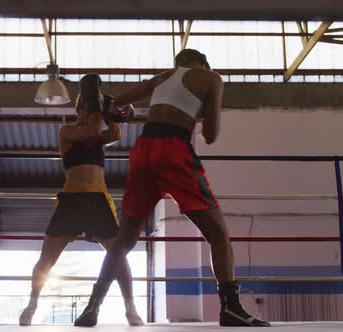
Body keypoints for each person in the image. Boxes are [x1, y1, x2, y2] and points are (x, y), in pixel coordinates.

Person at [74, 49, 270, 327]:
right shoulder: (211, 78)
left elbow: (118, 101)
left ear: (177, 65)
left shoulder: (163, 77)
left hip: (143, 149)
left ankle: (92, 308)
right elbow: (211, 136)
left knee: (124, 239)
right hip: (174, 150)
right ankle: (231, 308)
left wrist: (125, 111)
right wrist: (200, 119)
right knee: (217, 232)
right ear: (202, 64)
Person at [18, 75, 144, 327]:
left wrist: (112, 111)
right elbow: (92, 130)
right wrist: (98, 108)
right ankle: (32, 302)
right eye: (90, 106)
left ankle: (130, 308)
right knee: (47, 259)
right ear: (80, 109)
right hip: (72, 200)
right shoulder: (68, 131)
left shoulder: (98, 135)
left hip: (97, 199)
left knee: (118, 256)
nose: (92, 111)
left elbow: (115, 132)